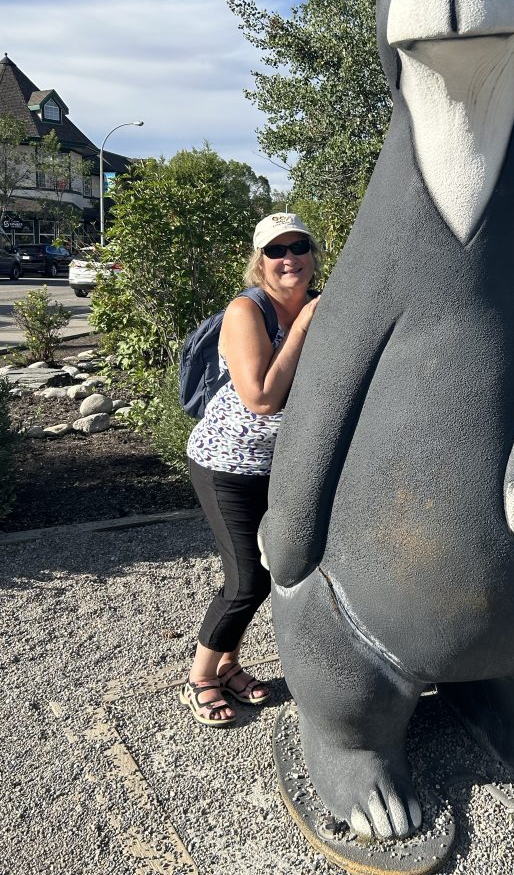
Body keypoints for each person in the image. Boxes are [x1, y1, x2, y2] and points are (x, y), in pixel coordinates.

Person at [180, 213, 321, 727]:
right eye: (276, 251)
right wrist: (303, 326)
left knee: (266, 568)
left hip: (280, 466)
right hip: (227, 465)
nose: (289, 258)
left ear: (312, 253)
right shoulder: (248, 310)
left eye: (298, 247)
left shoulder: (319, 305)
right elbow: (260, 397)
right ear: (259, 263)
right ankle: (199, 678)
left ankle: (228, 664)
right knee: (248, 581)